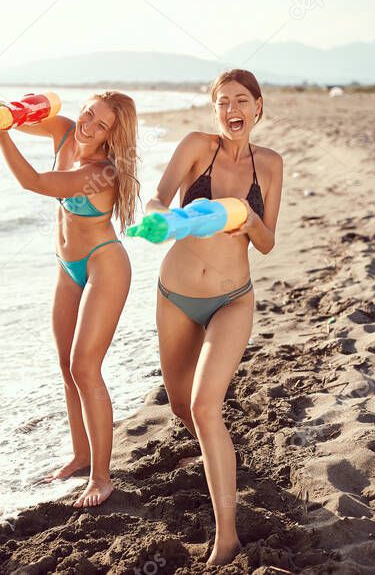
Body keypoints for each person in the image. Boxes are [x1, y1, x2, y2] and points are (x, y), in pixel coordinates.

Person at [145, 69, 283, 567]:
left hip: (232, 299)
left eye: (241, 100)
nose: (231, 109)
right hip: (175, 294)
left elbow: (268, 243)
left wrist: (246, 218)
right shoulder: (197, 147)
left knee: (205, 407)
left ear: (258, 107)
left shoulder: (269, 164)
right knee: (184, 407)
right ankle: (220, 456)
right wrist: (169, 218)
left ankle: (227, 539)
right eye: (222, 102)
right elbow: (155, 198)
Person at [0, 92, 139, 507]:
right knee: (66, 365)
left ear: (112, 135)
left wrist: (0, 139)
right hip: (67, 265)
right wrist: (6, 115)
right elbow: (21, 121)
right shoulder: (65, 128)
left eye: (100, 124)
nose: (87, 125)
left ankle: (102, 478)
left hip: (105, 264)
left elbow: (35, 182)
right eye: (88, 114)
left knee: (85, 367)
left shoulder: (101, 172)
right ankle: (81, 455)